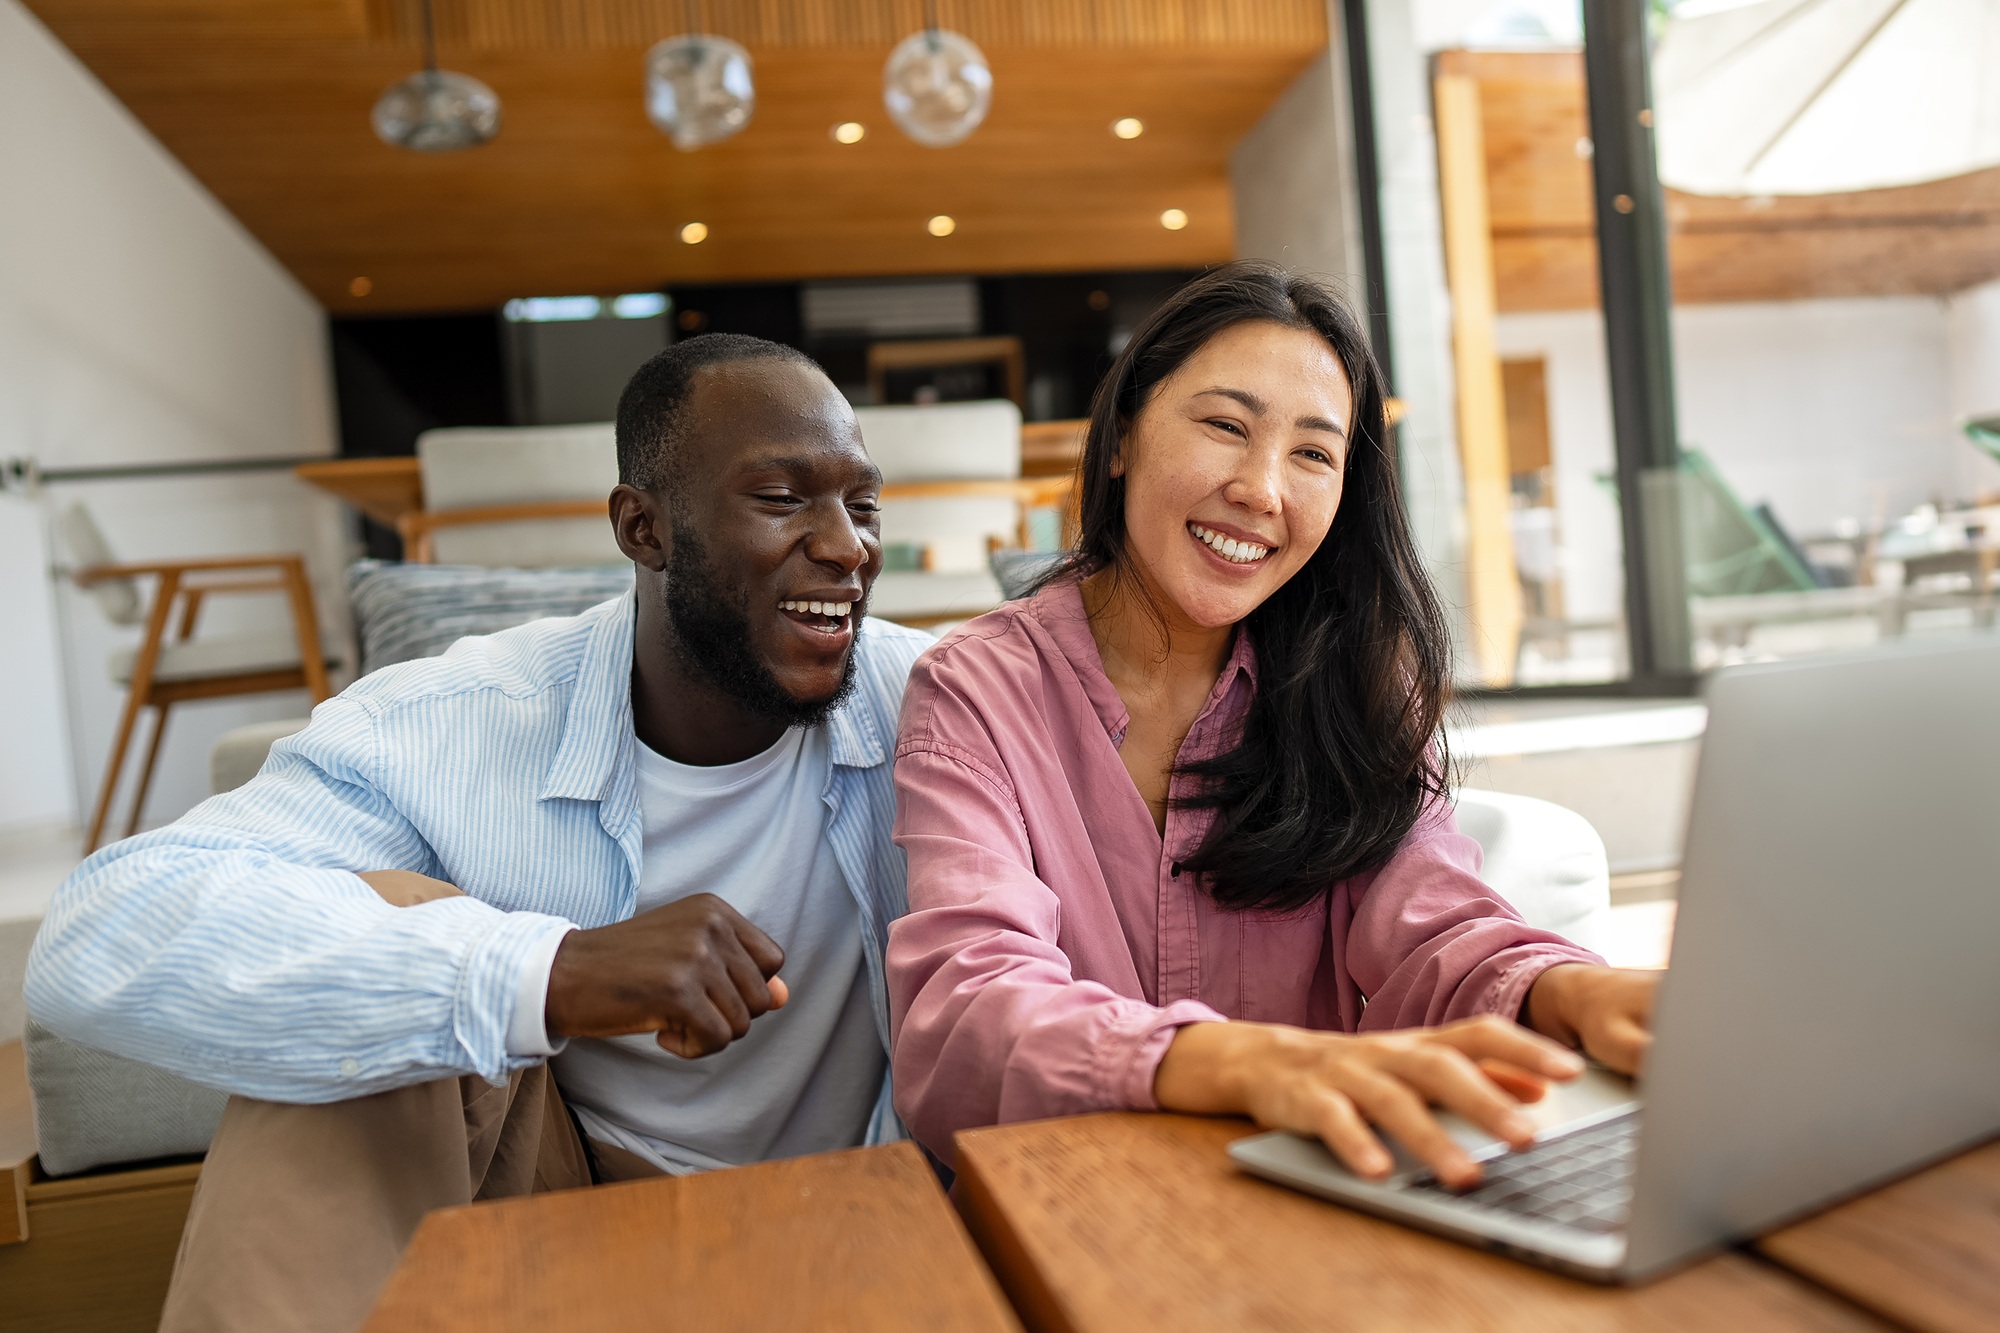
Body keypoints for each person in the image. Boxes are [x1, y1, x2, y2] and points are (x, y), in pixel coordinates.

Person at [25, 334, 931, 1332]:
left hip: (864, 1209)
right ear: (644, 528)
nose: (847, 545)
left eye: (861, 502)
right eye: (780, 496)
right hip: (565, 1200)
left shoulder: (937, 707)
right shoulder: (464, 716)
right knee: (388, 945)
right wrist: (541, 971)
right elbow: (95, 932)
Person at [887, 262, 1656, 1188]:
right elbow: (968, 1008)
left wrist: (1569, 988)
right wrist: (1237, 1063)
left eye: (1313, 454)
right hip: (1067, 1205)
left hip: (1308, 1201)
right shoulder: (975, 688)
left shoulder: (1350, 685)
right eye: (1225, 426)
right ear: (1123, 434)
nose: (1261, 489)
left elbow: (1436, 923)